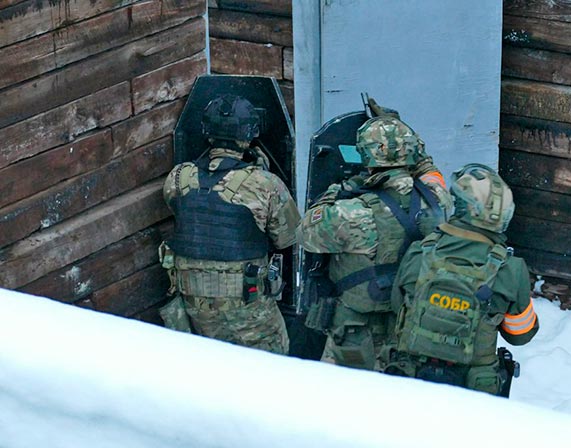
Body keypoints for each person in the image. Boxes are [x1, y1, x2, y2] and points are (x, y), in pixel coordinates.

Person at [298, 116, 452, 370]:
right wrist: (404, 139)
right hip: (409, 327)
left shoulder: (352, 212)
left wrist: (336, 191)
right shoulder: (438, 200)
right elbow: (429, 172)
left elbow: (305, 234)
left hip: (356, 334)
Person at [159, 94, 300, 355]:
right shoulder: (266, 184)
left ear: (207, 132)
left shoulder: (178, 176)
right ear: (249, 135)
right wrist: (262, 174)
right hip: (247, 307)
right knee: (273, 364)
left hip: (193, 306)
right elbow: (287, 237)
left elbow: (182, 212)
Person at [388, 163, 539, 396]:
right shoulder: (512, 269)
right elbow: (521, 334)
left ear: (460, 206)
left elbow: (396, 306)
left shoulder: (420, 251)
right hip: (472, 389)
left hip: (410, 380)